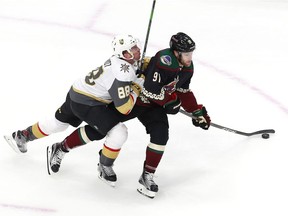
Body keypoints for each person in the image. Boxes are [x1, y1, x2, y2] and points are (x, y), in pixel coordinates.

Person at [46, 32, 211, 199]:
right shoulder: (165, 61)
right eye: (187, 54)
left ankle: (147, 175)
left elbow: (183, 91)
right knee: (101, 129)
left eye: (191, 53)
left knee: (161, 134)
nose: (190, 57)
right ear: (176, 52)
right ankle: (61, 147)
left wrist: (196, 111)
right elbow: (150, 90)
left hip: (153, 106)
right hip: (135, 101)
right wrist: (170, 101)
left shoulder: (187, 67)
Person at [4, 34, 144, 187]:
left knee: (59, 123)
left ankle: (23, 135)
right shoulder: (123, 72)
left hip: (77, 91)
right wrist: (137, 86)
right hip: (88, 103)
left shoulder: (121, 62)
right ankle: (104, 165)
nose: (138, 50)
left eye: (136, 46)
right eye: (133, 48)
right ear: (124, 54)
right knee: (119, 132)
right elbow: (124, 108)